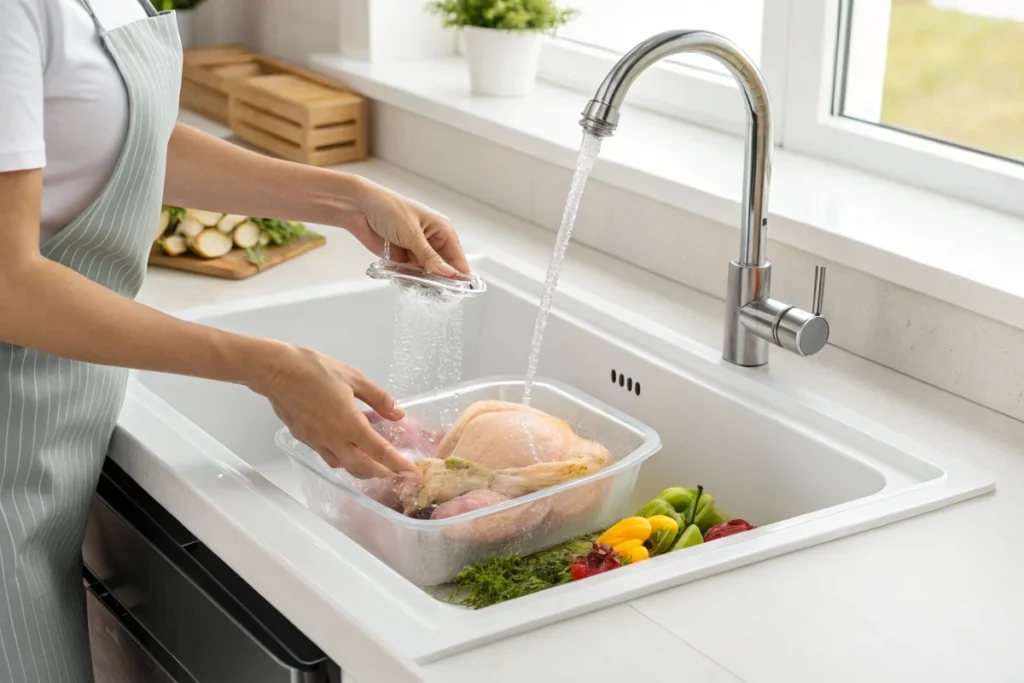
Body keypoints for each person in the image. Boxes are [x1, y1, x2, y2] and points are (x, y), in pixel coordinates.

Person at [0, 0, 471, 680]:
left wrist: (346, 198)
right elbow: (8, 284)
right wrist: (269, 367)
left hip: (44, 442)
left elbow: (118, 136)